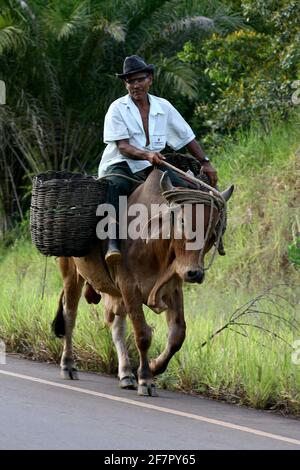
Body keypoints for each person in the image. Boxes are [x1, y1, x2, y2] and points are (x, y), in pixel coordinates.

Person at [98, 55, 218, 264]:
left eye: (140, 79)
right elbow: (123, 146)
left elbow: (187, 137)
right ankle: (112, 243)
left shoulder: (164, 107)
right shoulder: (117, 108)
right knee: (114, 186)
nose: (135, 85)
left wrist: (205, 162)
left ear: (150, 79)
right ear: (125, 84)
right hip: (121, 164)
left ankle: (200, 243)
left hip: (153, 165)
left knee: (194, 191)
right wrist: (147, 154)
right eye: (130, 81)